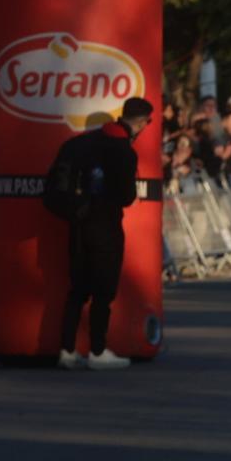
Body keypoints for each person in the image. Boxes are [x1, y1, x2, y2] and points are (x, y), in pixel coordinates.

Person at [58, 97, 153, 370]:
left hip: (78, 223)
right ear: (141, 122)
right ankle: (97, 351)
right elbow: (126, 196)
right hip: (105, 227)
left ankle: (67, 349)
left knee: (77, 289)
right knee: (103, 291)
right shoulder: (123, 150)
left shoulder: (84, 143)